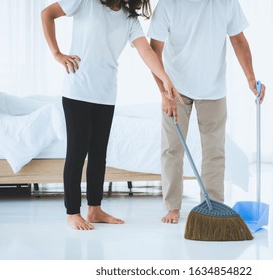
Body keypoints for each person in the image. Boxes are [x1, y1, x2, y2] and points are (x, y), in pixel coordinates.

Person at [41, 0, 183, 230]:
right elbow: (47, 14)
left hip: (106, 94)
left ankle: (95, 210)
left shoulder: (129, 19)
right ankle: (73, 213)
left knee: (99, 154)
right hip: (77, 90)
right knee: (77, 152)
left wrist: (165, 78)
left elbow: (146, 51)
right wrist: (57, 54)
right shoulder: (85, 2)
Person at [148, 0, 266, 223]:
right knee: (172, 149)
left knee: (214, 152)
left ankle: (213, 206)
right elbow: (155, 50)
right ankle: (172, 207)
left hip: (213, 88)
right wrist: (164, 93)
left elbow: (238, 40)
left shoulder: (226, 3)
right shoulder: (168, 4)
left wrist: (251, 78)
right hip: (175, 89)